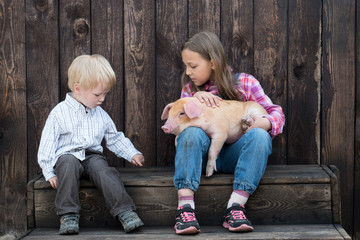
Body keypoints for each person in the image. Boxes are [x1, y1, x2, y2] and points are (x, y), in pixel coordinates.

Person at [173, 31, 285, 235]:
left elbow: (276, 113)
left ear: (213, 63)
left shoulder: (245, 83)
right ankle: (185, 208)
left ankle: (235, 207)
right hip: (204, 156)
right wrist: (195, 101)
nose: (188, 72)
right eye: (186, 65)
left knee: (260, 136)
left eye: (194, 66)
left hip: (238, 155)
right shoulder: (190, 91)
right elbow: (179, 130)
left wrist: (265, 122)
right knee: (190, 133)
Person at [37, 54, 145, 235]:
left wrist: (131, 153)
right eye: (97, 94)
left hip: (92, 156)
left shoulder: (100, 113)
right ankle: (68, 214)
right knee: (68, 165)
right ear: (78, 88)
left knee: (104, 171)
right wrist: (48, 171)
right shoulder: (59, 113)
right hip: (67, 155)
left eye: (105, 93)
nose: (102, 98)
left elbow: (114, 137)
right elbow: (47, 143)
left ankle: (125, 211)